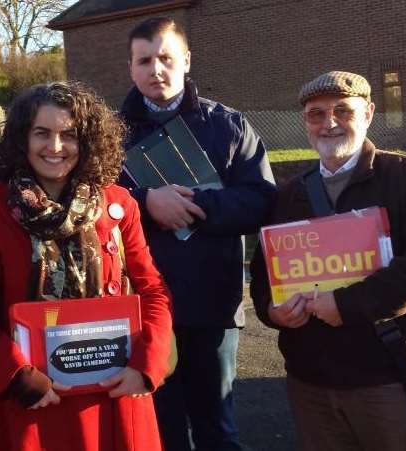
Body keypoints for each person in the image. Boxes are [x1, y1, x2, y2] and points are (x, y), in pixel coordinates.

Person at [0, 81, 173, 451]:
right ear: (24, 138)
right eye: (42, 133)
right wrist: (16, 377)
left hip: (115, 396)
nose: (55, 147)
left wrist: (146, 367)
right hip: (36, 401)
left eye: (68, 135)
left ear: (87, 141)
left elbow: (152, 291)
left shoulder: (119, 205)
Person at [250, 71, 406, 451]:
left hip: (388, 379)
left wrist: (346, 304)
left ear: (369, 113)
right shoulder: (290, 194)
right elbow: (263, 276)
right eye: (316, 114)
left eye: (343, 110)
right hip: (311, 383)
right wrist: (272, 312)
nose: (330, 123)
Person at [118, 17, 276, 451]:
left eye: (166, 58)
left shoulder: (228, 125)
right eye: (144, 60)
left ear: (186, 61)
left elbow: (261, 200)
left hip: (212, 305)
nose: (156, 70)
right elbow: (93, 202)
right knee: (157, 431)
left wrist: (195, 206)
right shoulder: (108, 135)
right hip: (142, 307)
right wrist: (146, 202)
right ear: (131, 68)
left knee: (216, 430)